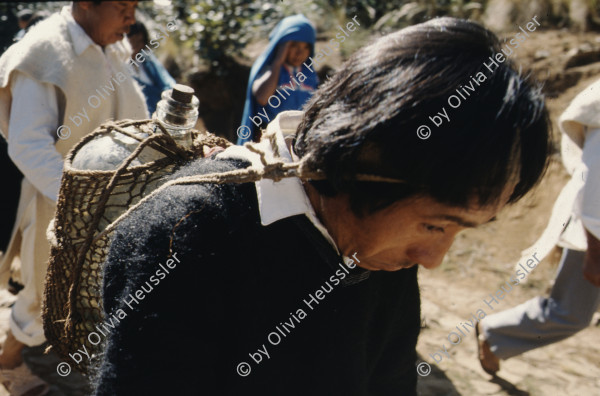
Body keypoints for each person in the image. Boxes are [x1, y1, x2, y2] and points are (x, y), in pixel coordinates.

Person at [94, 17, 551, 395]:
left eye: (460, 231)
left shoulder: (383, 255)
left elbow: (389, 381)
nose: (432, 260)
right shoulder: (187, 229)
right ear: (360, 162)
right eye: (434, 226)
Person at [0, 2, 147, 394]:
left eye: (135, 6)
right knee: (42, 301)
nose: (131, 18)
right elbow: (28, 144)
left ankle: (17, 364)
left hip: (111, 207)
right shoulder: (43, 52)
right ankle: (13, 367)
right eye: (122, 6)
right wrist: (81, 206)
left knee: (82, 302)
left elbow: (134, 118)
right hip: (59, 207)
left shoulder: (113, 48)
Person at [476, 78, 600, 375]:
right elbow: (595, 181)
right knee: (570, 312)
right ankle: (496, 332)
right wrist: (595, 250)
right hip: (592, 227)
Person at [237, 14, 318, 144]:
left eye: (305, 47)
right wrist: (277, 62)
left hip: (299, 140)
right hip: (270, 140)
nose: (299, 52)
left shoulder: (310, 77)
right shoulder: (270, 70)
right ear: (281, 45)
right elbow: (262, 98)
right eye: (294, 45)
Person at [127, 20, 176, 114]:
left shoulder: (147, 59)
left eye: (141, 41)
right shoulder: (120, 68)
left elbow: (168, 82)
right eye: (133, 41)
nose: (138, 46)